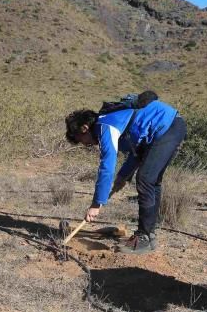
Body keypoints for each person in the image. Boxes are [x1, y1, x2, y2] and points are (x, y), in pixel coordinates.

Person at [64, 91, 187, 254]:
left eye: (81, 140)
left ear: (84, 128)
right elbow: (138, 152)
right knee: (151, 180)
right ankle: (148, 235)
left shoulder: (105, 127)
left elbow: (107, 166)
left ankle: (143, 238)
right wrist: (123, 176)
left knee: (145, 179)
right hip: (170, 127)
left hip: (167, 127)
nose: (86, 144)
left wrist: (96, 203)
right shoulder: (111, 122)